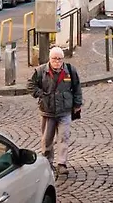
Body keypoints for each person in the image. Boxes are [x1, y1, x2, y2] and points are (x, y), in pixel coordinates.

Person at [28, 46, 83, 174]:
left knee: (64, 137)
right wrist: (40, 94)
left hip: (65, 110)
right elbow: (30, 85)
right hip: (47, 111)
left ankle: (61, 163)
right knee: (47, 139)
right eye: (54, 59)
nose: (57, 61)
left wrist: (77, 103)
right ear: (49, 58)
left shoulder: (70, 70)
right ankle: (47, 162)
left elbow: (77, 87)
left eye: (60, 59)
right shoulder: (41, 71)